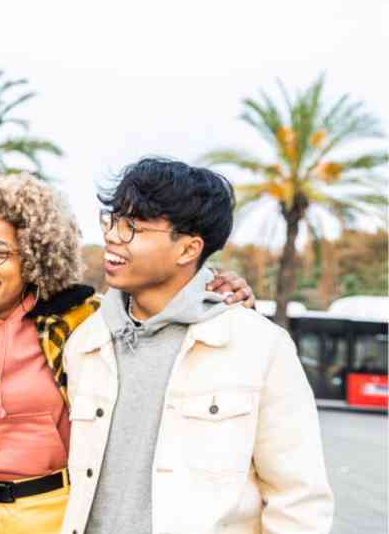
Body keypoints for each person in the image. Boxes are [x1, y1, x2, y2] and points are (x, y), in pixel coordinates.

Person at [0, 173, 255, 533]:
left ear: (35, 257)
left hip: (59, 515)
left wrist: (219, 286)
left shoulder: (81, 321)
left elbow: (160, 308)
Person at [60, 158, 334, 534]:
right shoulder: (86, 343)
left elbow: (299, 501)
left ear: (188, 249)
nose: (111, 236)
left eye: (132, 227)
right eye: (112, 220)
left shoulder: (260, 348)